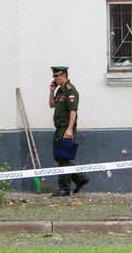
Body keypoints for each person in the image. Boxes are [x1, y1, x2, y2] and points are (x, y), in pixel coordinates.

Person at [49, 65, 89, 196]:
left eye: (57, 76)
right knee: (58, 156)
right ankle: (80, 178)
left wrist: (70, 129)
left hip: (66, 128)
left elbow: (73, 111)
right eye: (54, 76)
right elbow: (52, 104)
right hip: (59, 128)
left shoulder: (70, 91)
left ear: (64, 76)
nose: (55, 79)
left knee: (63, 158)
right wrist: (51, 91)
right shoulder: (60, 90)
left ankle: (64, 188)